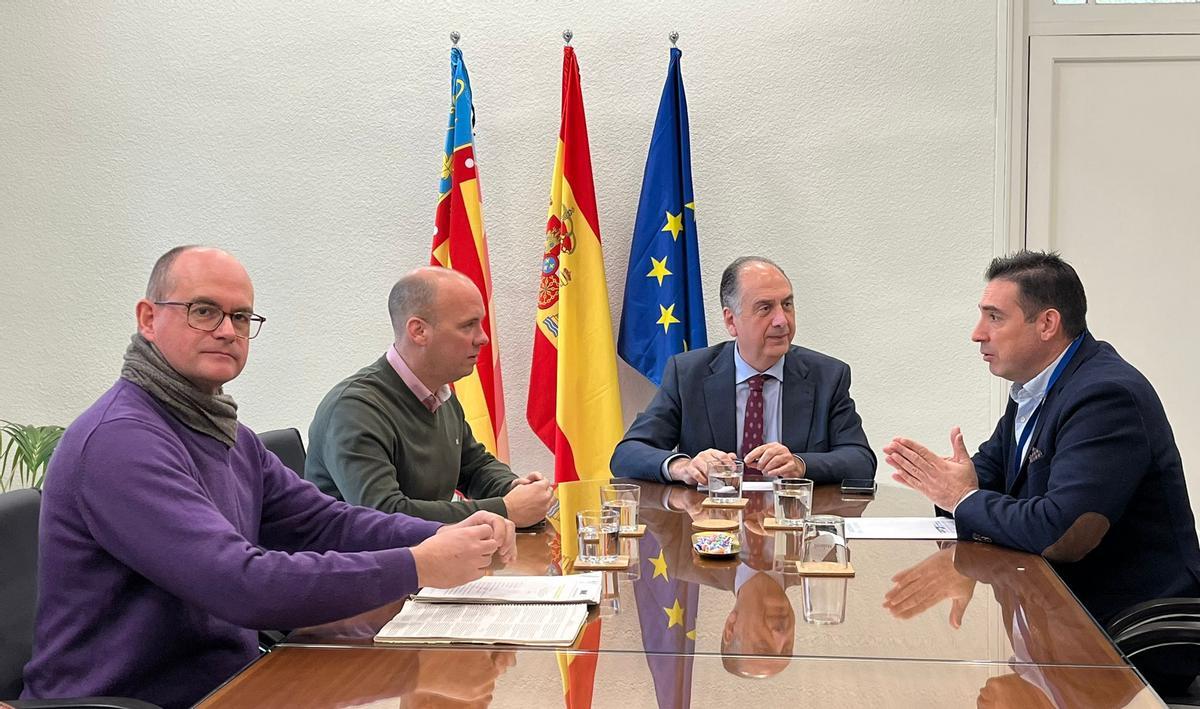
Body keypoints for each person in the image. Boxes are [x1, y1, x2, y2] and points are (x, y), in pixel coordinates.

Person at [21, 246, 515, 709]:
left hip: (235, 678)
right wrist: (417, 564)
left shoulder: (223, 429)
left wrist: (447, 534)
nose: (227, 330)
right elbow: (241, 584)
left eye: (241, 317)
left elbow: (325, 523)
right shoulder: (120, 441)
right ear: (149, 319)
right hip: (146, 699)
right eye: (203, 311)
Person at [883, 251, 1200, 629]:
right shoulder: (1034, 388)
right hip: (1056, 620)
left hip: (1128, 636)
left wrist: (960, 497)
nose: (977, 333)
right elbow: (991, 477)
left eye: (994, 317)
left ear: (1048, 323)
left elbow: (1060, 533)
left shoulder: (1105, 397)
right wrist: (953, 484)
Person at [305, 267, 553, 526]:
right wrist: (504, 510)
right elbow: (383, 514)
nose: (483, 338)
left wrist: (513, 488)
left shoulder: (439, 394)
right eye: (468, 325)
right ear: (418, 331)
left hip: (426, 557)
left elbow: (474, 467)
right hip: (364, 562)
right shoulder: (354, 409)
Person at [611, 256, 876, 485]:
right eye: (765, 308)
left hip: (792, 529)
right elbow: (627, 454)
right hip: (713, 530)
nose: (782, 321)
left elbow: (861, 461)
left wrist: (800, 464)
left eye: (787, 304)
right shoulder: (688, 374)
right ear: (731, 320)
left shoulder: (827, 376)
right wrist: (683, 466)